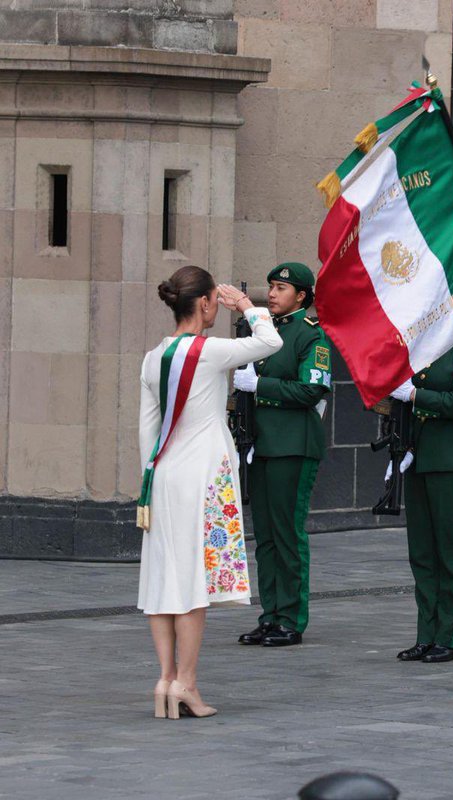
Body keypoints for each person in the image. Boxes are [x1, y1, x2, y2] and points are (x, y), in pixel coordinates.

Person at [138, 266, 282, 719]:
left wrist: (148, 482)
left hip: (164, 476)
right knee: (192, 583)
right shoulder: (211, 350)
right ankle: (187, 683)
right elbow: (270, 342)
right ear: (203, 303)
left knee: (164, 578)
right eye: (216, 300)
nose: (219, 305)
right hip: (203, 477)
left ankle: (165, 679)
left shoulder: (152, 358)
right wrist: (247, 306)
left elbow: (147, 431)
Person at [233, 263, 332, 648]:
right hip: (261, 444)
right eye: (271, 286)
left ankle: (290, 618)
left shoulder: (311, 336)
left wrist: (261, 385)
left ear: (301, 296)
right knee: (266, 537)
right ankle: (270, 615)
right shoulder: (265, 331)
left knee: (287, 534)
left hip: (293, 445)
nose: (272, 294)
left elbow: (311, 390)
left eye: (281, 288)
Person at [391, 332, 453, 664]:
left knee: (450, 553)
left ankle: (448, 636)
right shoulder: (421, 342)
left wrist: (415, 395)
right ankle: (426, 635)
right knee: (422, 553)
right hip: (418, 454)